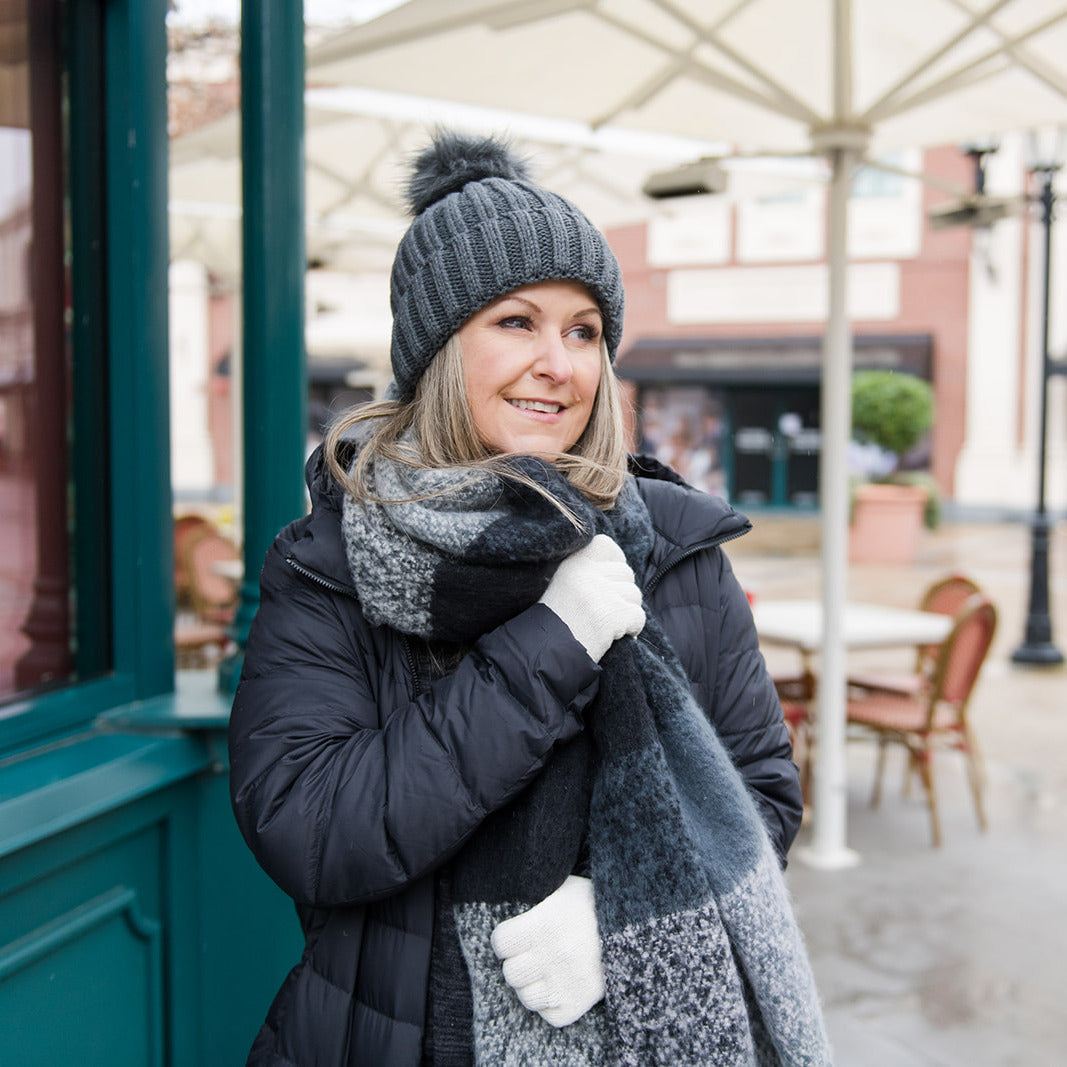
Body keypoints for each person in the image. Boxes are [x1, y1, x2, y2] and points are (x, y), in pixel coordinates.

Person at [229, 131, 829, 1066]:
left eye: (583, 330)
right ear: (435, 349)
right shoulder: (330, 564)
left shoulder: (675, 550)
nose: (559, 362)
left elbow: (761, 795)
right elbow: (313, 826)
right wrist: (554, 638)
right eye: (516, 321)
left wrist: (624, 907)